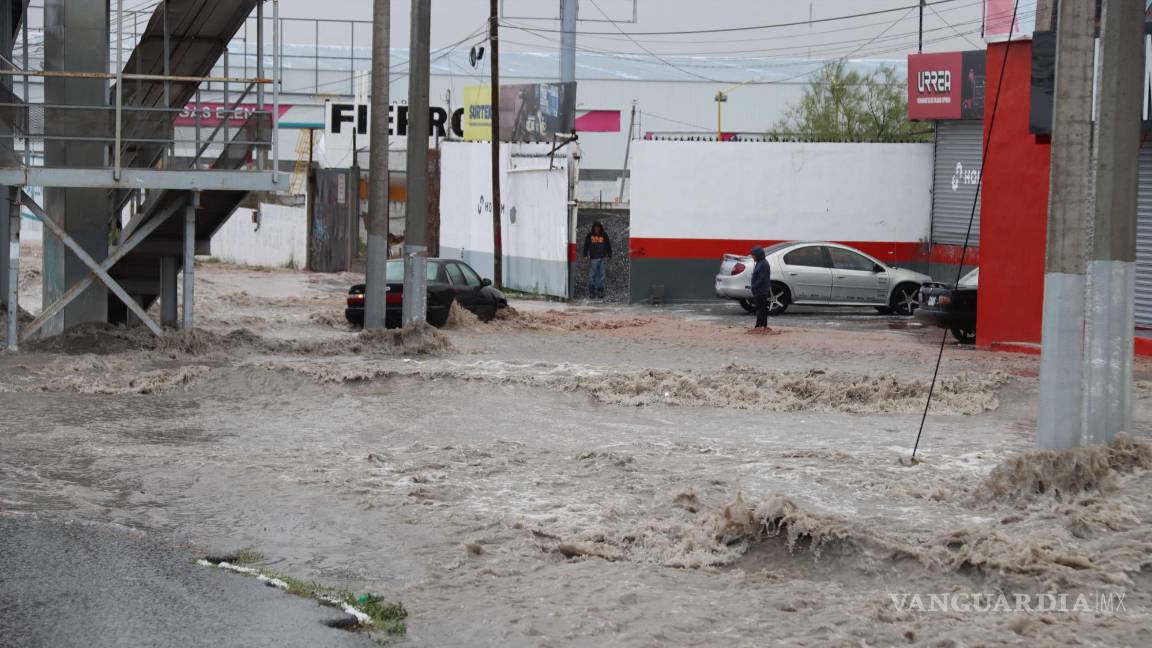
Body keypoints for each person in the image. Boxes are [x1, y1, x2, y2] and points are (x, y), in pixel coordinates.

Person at [583, 221, 612, 299]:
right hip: (593, 258)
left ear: (600, 228)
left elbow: (608, 245)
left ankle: (600, 291)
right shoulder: (589, 235)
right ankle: (592, 291)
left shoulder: (604, 235)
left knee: (602, 275)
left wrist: (609, 255)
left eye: (598, 227)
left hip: (602, 257)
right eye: (595, 227)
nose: (597, 228)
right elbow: (586, 245)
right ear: (593, 227)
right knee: (592, 275)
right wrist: (585, 255)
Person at [749, 245, 772, 333]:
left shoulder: (763, 264)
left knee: (761, 309)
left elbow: (762, 278)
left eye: (753, 255)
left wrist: (754, 286)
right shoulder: (760, 263)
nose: (752, 257)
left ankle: (762, 326)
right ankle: (759, 325)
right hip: (758, 291)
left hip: (761, 291)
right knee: (759, 309)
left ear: (758, 255)